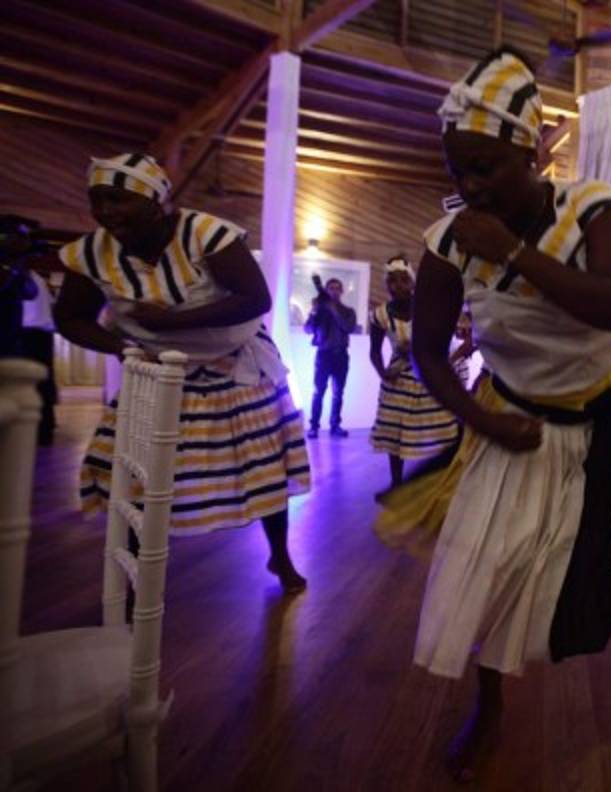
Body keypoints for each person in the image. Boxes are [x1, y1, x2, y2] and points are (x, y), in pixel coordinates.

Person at [376, 48, 611, 781]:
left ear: (531, 152)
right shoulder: (446, 244)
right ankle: (489, 705)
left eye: (486, 167)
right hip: (514, 415)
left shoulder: (593, 208)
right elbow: (428, 353)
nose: (470, 185)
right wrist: (481, 421)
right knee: (490, 565)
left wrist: (514, 253)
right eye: (458, 169)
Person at [53, 153, 309, 592]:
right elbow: (70, 317)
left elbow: (255, 299)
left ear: (156, 202)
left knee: (262, 465)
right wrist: (122, 347)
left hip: (235, 365)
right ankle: (135, 581)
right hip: (156, 370)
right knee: (140, 471)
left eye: (118, 199)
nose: (106, 211)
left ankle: (280, 558)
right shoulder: (91, 253)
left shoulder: (206, 233)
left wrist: (170, 322)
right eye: (97, 200)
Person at [368, 256, 459, 493]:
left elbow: (444, 340)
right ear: (386, 284)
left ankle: (437, 481)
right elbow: (374, 351)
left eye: (403, 280)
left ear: (412, 282)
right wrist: (383, 373)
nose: (398, 285)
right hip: (398, 379)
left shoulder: (429, 309)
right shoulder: (380, 315)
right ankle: (397, 483)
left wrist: (420, 346)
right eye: (392, 280)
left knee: (439, 429)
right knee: (395, 433)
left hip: (429, 375)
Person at [305, 276, 356, 438]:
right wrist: (314, 311)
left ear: (341, 291)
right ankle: (314, 427)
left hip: (341, 355)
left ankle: (335, 426)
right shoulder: (320, 310)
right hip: (324, 355)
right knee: (318, 391)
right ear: (326, 291)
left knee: (338, 393)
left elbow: (348, 327)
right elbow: (307, 329)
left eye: (337, 288)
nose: (334, 291)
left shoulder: (348, 311)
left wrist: (333, 309)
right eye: (331, 288)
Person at [21, 268, 58, 445]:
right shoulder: (38, 278)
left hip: (27, 335)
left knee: (28, 383)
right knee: (44, 381)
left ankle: (35, 431)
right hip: (43, 335)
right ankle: (45, 428)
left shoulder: (21, 277)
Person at [0, 214, 39, 358]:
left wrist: (17, 265)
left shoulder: (15, 265)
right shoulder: (9, 265)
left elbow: (31, 293)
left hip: (11, 339)